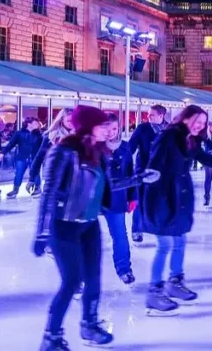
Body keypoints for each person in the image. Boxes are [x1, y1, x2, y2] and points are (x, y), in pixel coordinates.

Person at [33, 106, 157, 350]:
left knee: (93, 278)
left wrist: (138, 178)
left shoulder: (98, 153)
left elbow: (109, 185)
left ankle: (89, 325)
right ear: (90, 127)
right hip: (64, 225)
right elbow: (48, 192)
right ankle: (52, 336)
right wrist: (42, 232)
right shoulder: (63, 151)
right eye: (102, 126)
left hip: (89, 225)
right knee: (71, 281)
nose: (108, 131)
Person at [140, 105, 212, 316]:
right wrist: (151, 187)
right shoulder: (168, 137)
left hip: (180, 198)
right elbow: (153, 166)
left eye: (203, 123)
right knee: (165, 245)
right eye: (197, 122)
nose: (200, 126)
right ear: (185, 119)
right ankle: (154, 292)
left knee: (180, 241)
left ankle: (175, 282)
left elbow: (209, 160)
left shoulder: (192, 140)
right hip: (163, 198)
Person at [100, 112, 137, 285]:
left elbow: (130, 172)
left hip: (116, 198)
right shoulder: (93, 145)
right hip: (94, 199)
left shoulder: (125, 147)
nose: (110, 132)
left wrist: (133, 197)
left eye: (114, 128)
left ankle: (124, 269)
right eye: (107, 128)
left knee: (120, 235)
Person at [128, 105, 167, 242]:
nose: (148, 117)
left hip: (161, 172)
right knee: (139, 201)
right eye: (148, 114)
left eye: (152, 115)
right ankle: (137, 230)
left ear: (161, 116)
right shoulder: (142, 129)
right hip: (143, 170)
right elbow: (131, 147)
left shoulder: (169, 130)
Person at [29, 109, 74, 198]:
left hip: (73, 177)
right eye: (68, 120)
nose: (71, 123)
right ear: (61, 120)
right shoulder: (51, 136)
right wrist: (32, 178)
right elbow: (39, 157)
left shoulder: (78, 135)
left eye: (73, 120)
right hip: (54, 176)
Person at [3, 117, 43, 199]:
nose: (38, 125)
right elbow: (11, 144)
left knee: (36, 174)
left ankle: (37, 189)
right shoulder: (19, 133)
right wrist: (2, 152)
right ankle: (15, 190)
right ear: (29, 124)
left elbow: (43, 147)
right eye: (36, 123)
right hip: (22, 157)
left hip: (35, 158)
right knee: (18, 174)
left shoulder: (39, 135)